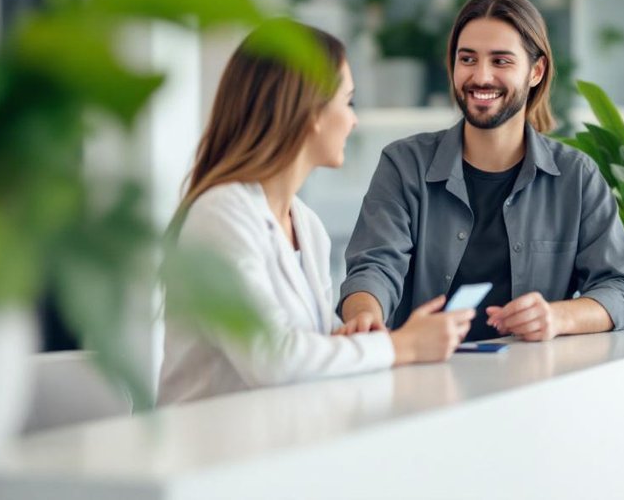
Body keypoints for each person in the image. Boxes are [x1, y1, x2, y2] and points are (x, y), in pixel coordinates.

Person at [157, 21, 474, 405]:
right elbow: (270, 359)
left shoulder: (305, 225)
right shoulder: (219, 214)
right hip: (209, 454)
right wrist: (401, 346)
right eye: (348, 102)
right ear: (312, 112)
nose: (353, 120)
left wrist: (350, 333)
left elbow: (308, 349)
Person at [338, 0, 624, 343]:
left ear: (536, 71)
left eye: (501, 61)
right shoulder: (404, 165)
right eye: (467, 59)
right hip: (424, 381)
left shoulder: (577, 177)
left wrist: (557, 316)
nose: (481, 77)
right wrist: (365, 318)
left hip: (532, 385)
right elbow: (374, 267)